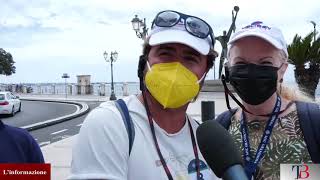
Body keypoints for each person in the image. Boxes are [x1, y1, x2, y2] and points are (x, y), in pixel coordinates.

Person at [69, 10, 219, 180]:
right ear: (144, 62)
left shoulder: (206, 141)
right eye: (165, 53)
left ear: (205, 73)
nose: (176, 67)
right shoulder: (110, 124)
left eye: (190, 58)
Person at [217, 21, 320, 180]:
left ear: (283, 70)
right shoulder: (222, 126)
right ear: (228, 69)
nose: (251, 72)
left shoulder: (313, 121)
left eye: (265, 63)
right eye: (241, 63)